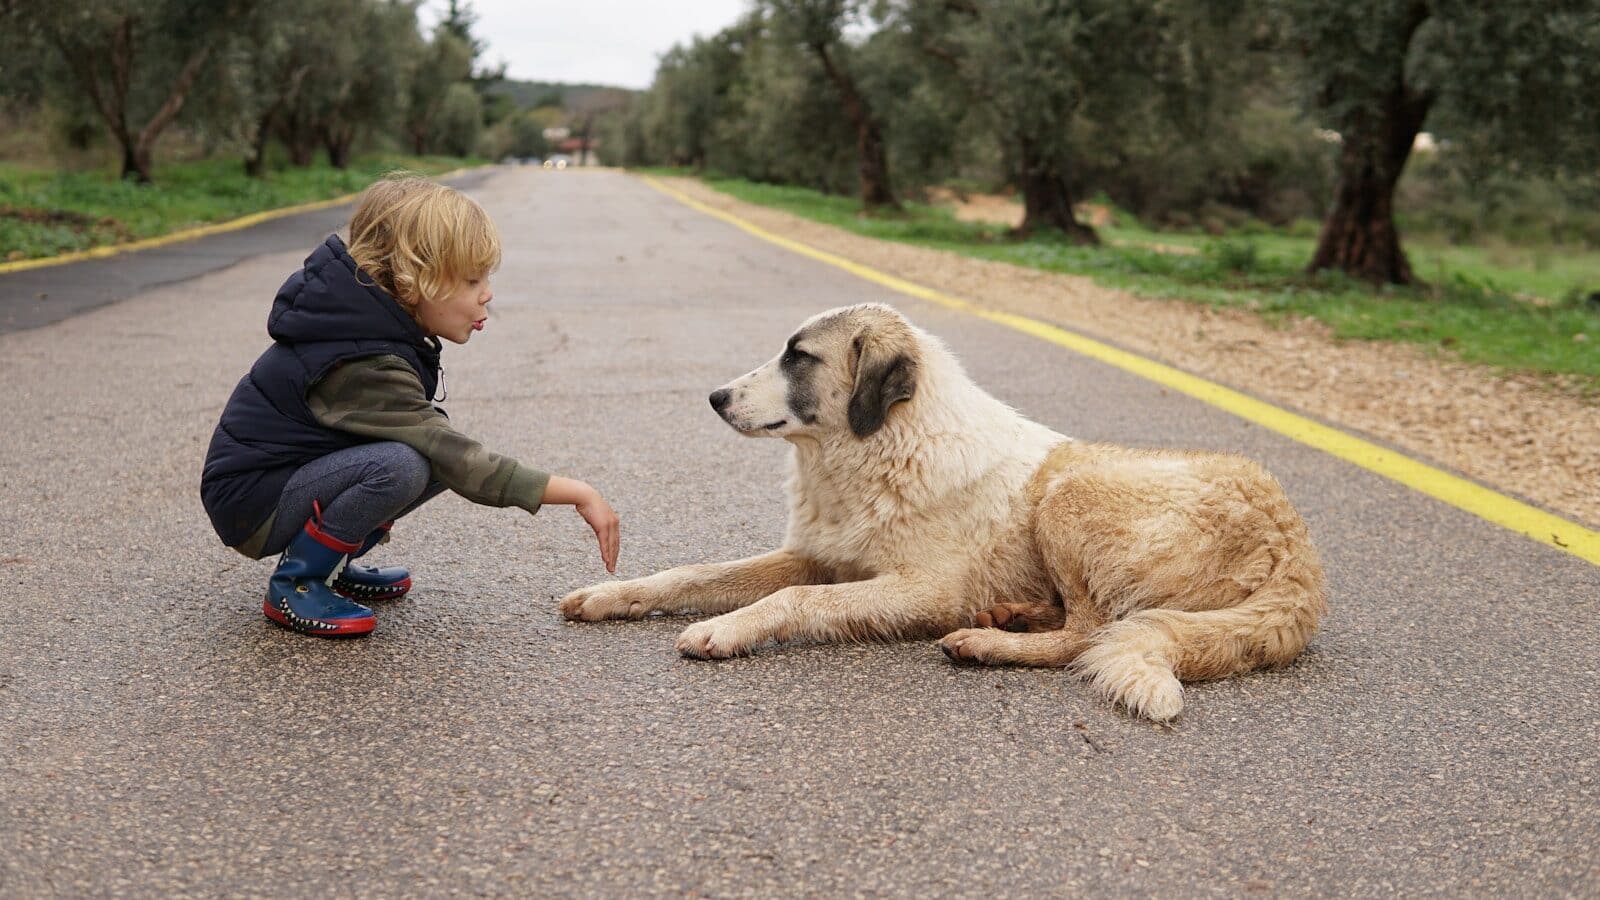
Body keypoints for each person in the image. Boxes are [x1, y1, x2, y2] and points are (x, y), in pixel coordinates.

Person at [200, 174, 619, 637]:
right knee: (407, 462)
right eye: (471, 280)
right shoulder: (360, 358)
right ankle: (298, 582)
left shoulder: (372, 330)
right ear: (413, 279)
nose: (488, 294)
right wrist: (578, 492)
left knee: (431, 451)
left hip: (284, 482)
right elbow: (457, 457)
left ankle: (331, 565)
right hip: (253, 504)